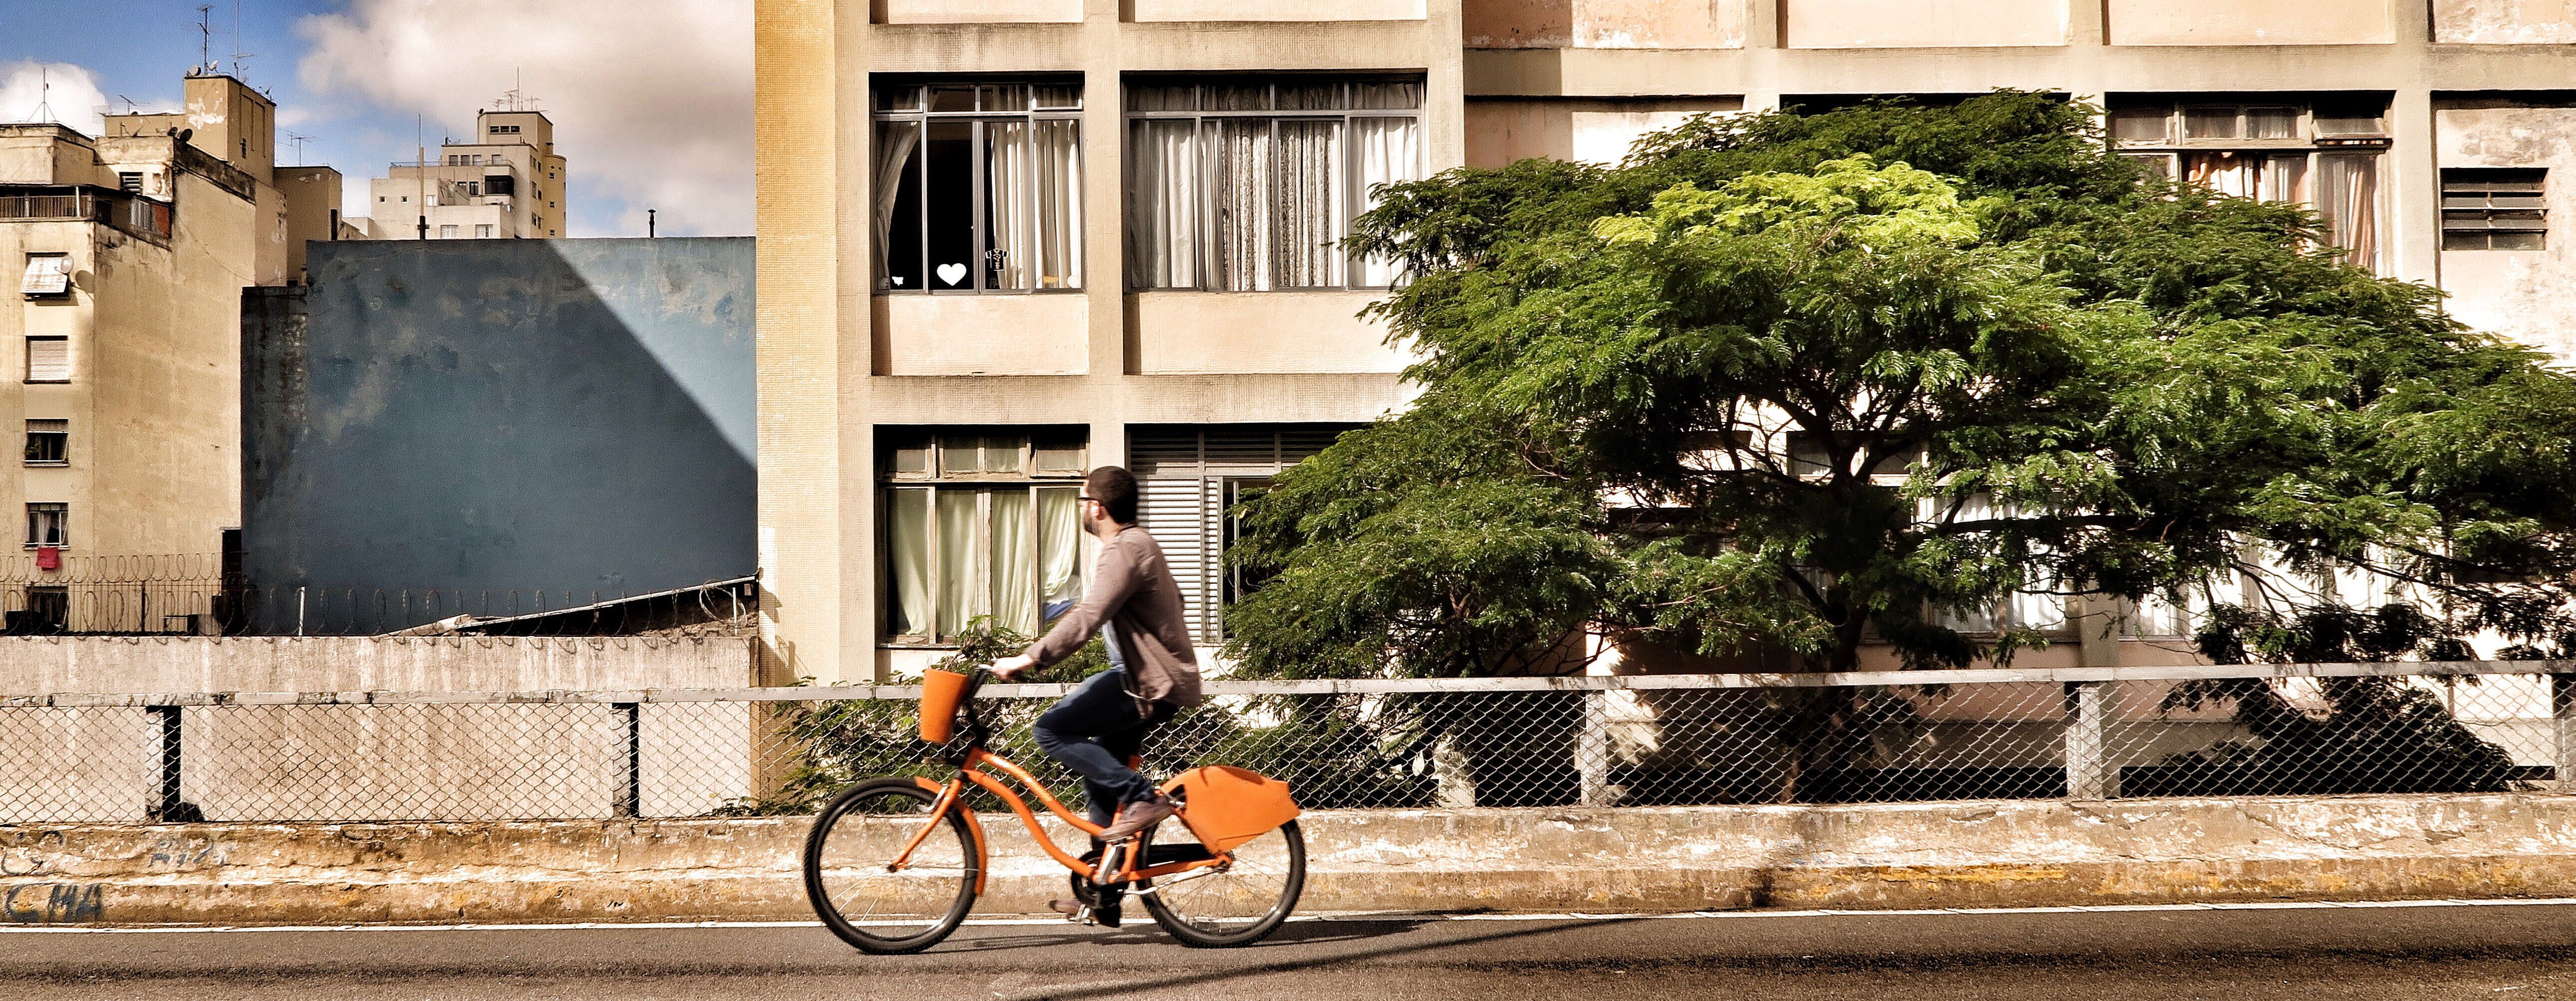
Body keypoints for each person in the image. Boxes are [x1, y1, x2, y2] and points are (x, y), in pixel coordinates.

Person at [991, 466, 1202, 847]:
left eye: (1082, 500)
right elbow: (1175, 603)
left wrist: (1029, 658)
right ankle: (1102, 889)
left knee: (1051, 730)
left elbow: (1090, 615)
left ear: (1097, 508)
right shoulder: (1141, 544)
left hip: (1146, 683)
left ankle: (1146, 797)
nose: (1081, 508)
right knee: (1100, 772)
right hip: (1153, 678)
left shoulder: (1125, 548)